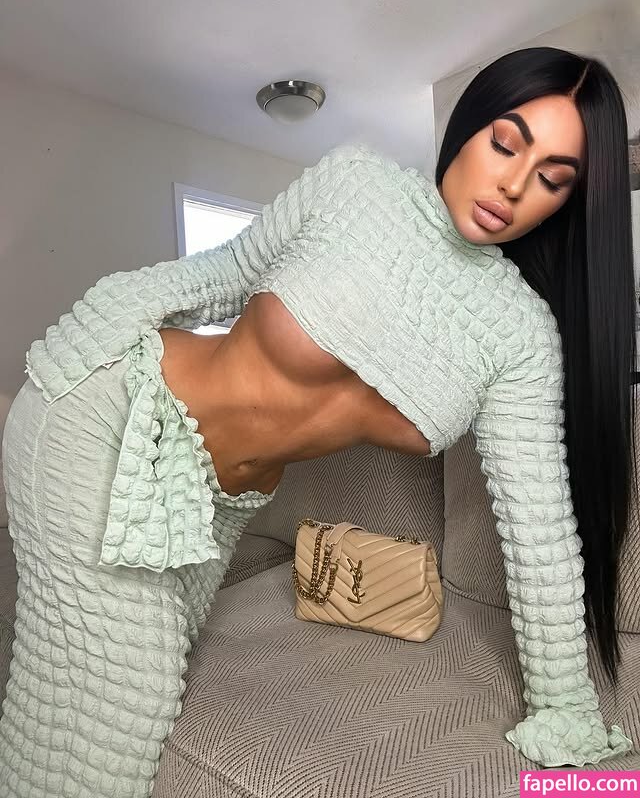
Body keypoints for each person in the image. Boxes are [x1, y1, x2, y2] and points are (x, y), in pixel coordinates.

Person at [0, 45, 637, 796]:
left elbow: (540, 537)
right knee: (122, 702)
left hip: (214, 504)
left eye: (553, 178)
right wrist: (82, 339)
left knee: (95, 693)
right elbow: (217, 276)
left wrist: (565, 710)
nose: (514, 184)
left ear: (569, 201)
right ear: (467, 129)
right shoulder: (356, 186)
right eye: (505, 143)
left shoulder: (520, 337)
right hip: (110, 413)